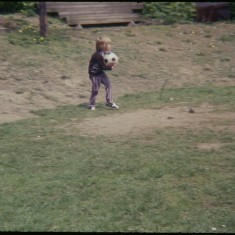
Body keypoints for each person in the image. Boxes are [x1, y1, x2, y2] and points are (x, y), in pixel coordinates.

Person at [88, 36, 119, 110]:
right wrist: (112, 67)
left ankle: (109, 102)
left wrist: (114, 60)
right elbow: (103, 66)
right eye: (108, 44)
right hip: (94, 74)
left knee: (108, 84)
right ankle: (91, 104)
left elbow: (107, 61)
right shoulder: (98, 55)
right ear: (102, 46)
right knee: (95, 89)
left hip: (100, 72)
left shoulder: (106, 53)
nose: (110, 46)